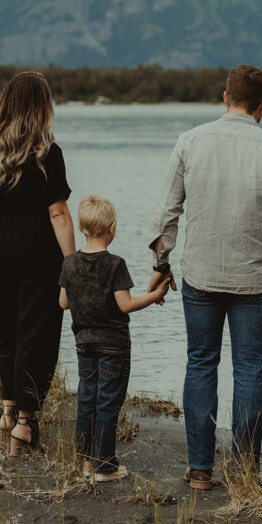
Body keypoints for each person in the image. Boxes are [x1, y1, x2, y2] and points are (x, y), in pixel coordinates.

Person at [148, 64, 262, 490]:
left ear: (225, 97)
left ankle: (200, 469)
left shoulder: (190, 142)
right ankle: (244, 472)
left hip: (200, 274)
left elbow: (167, 213)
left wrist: (161, 265)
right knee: (250, 370)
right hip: (254, 280)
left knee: (201, 363)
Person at [0, 71, 75, 457]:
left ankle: (6, 411)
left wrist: (3, 227)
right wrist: (72, 264)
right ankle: (26, 424)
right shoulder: (47, 154)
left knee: (7, 324)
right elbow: (58, 212)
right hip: (36, 242)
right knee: (39, 327)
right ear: (41, 107)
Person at [59, 194, 170, 481]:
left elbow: (63, 303)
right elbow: (125, 304)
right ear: (112, 227)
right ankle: (105, 465)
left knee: (87, 398)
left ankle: (85, 462)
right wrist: (156, 295)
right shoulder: (115, 264)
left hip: (84, 343)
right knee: (108, 401)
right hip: (113, 345)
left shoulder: (69, 263)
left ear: (82, 229)